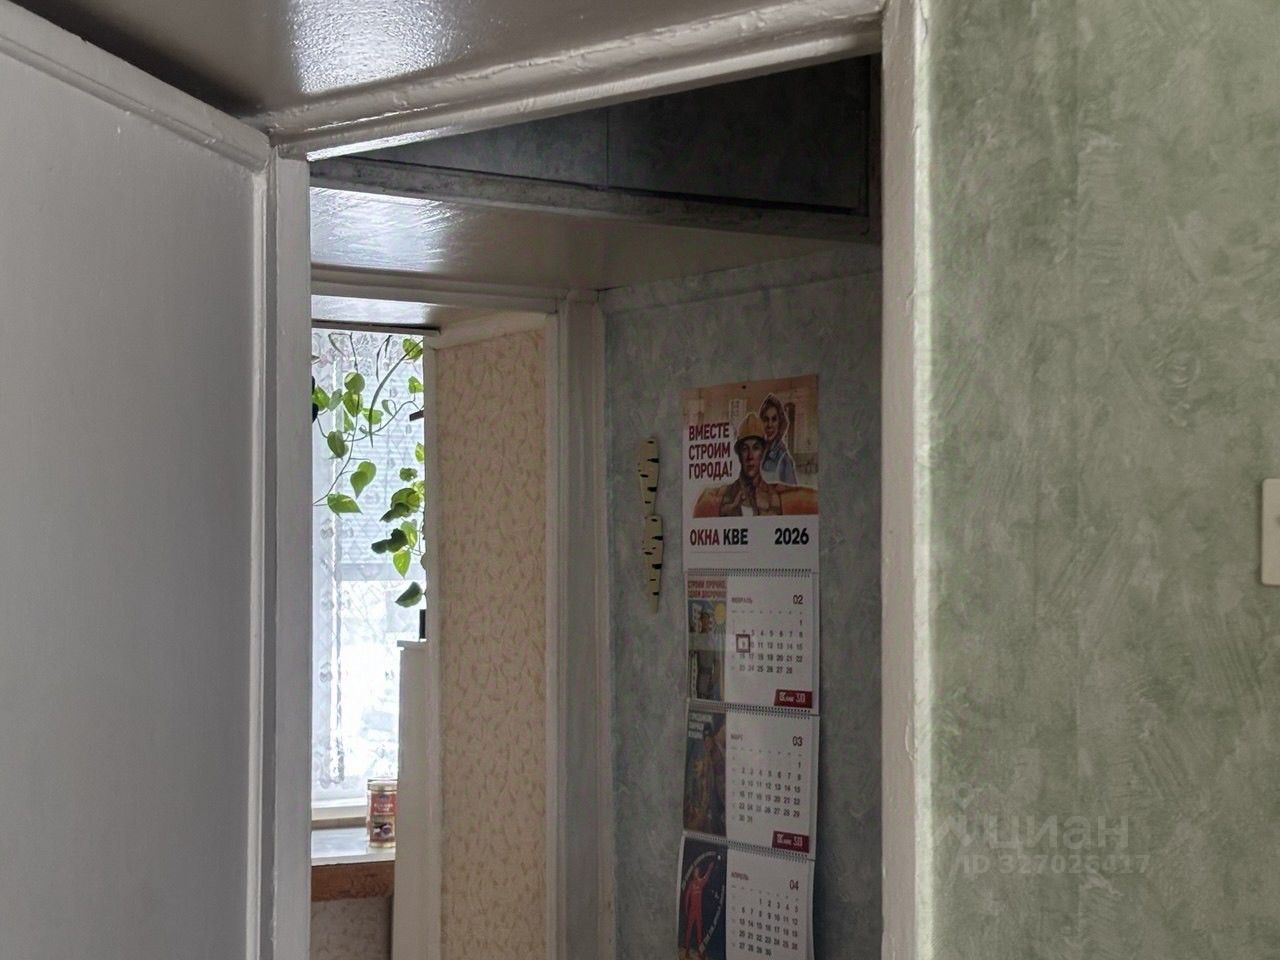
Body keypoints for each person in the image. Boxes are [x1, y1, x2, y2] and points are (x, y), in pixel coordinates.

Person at [692, 413, 817, 517]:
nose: (750, 456)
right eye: (745, 449)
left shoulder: (776, 495)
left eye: (756, 448)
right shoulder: (721, 496)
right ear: (739, 454)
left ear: (763, 452)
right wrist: (728, 510)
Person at [758, 394, 797, 484]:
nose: (769, 425)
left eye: (774, 419)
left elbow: (793, 492)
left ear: (780, 423)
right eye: (766, 419)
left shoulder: (784, 460)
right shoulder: (759, 453)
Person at [682, 857, 716, 957]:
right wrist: (686, 909)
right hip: (692, 911)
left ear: (699, 873)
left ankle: (700, 952)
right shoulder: (691, 884)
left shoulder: (700, 883)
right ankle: (687, 951)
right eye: (694, 872)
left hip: (698, 911)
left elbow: (707, 876)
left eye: (697, 872)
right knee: (689, 930)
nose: (695, 873)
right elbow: (687, 897)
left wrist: (710, 868)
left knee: (699, 932)